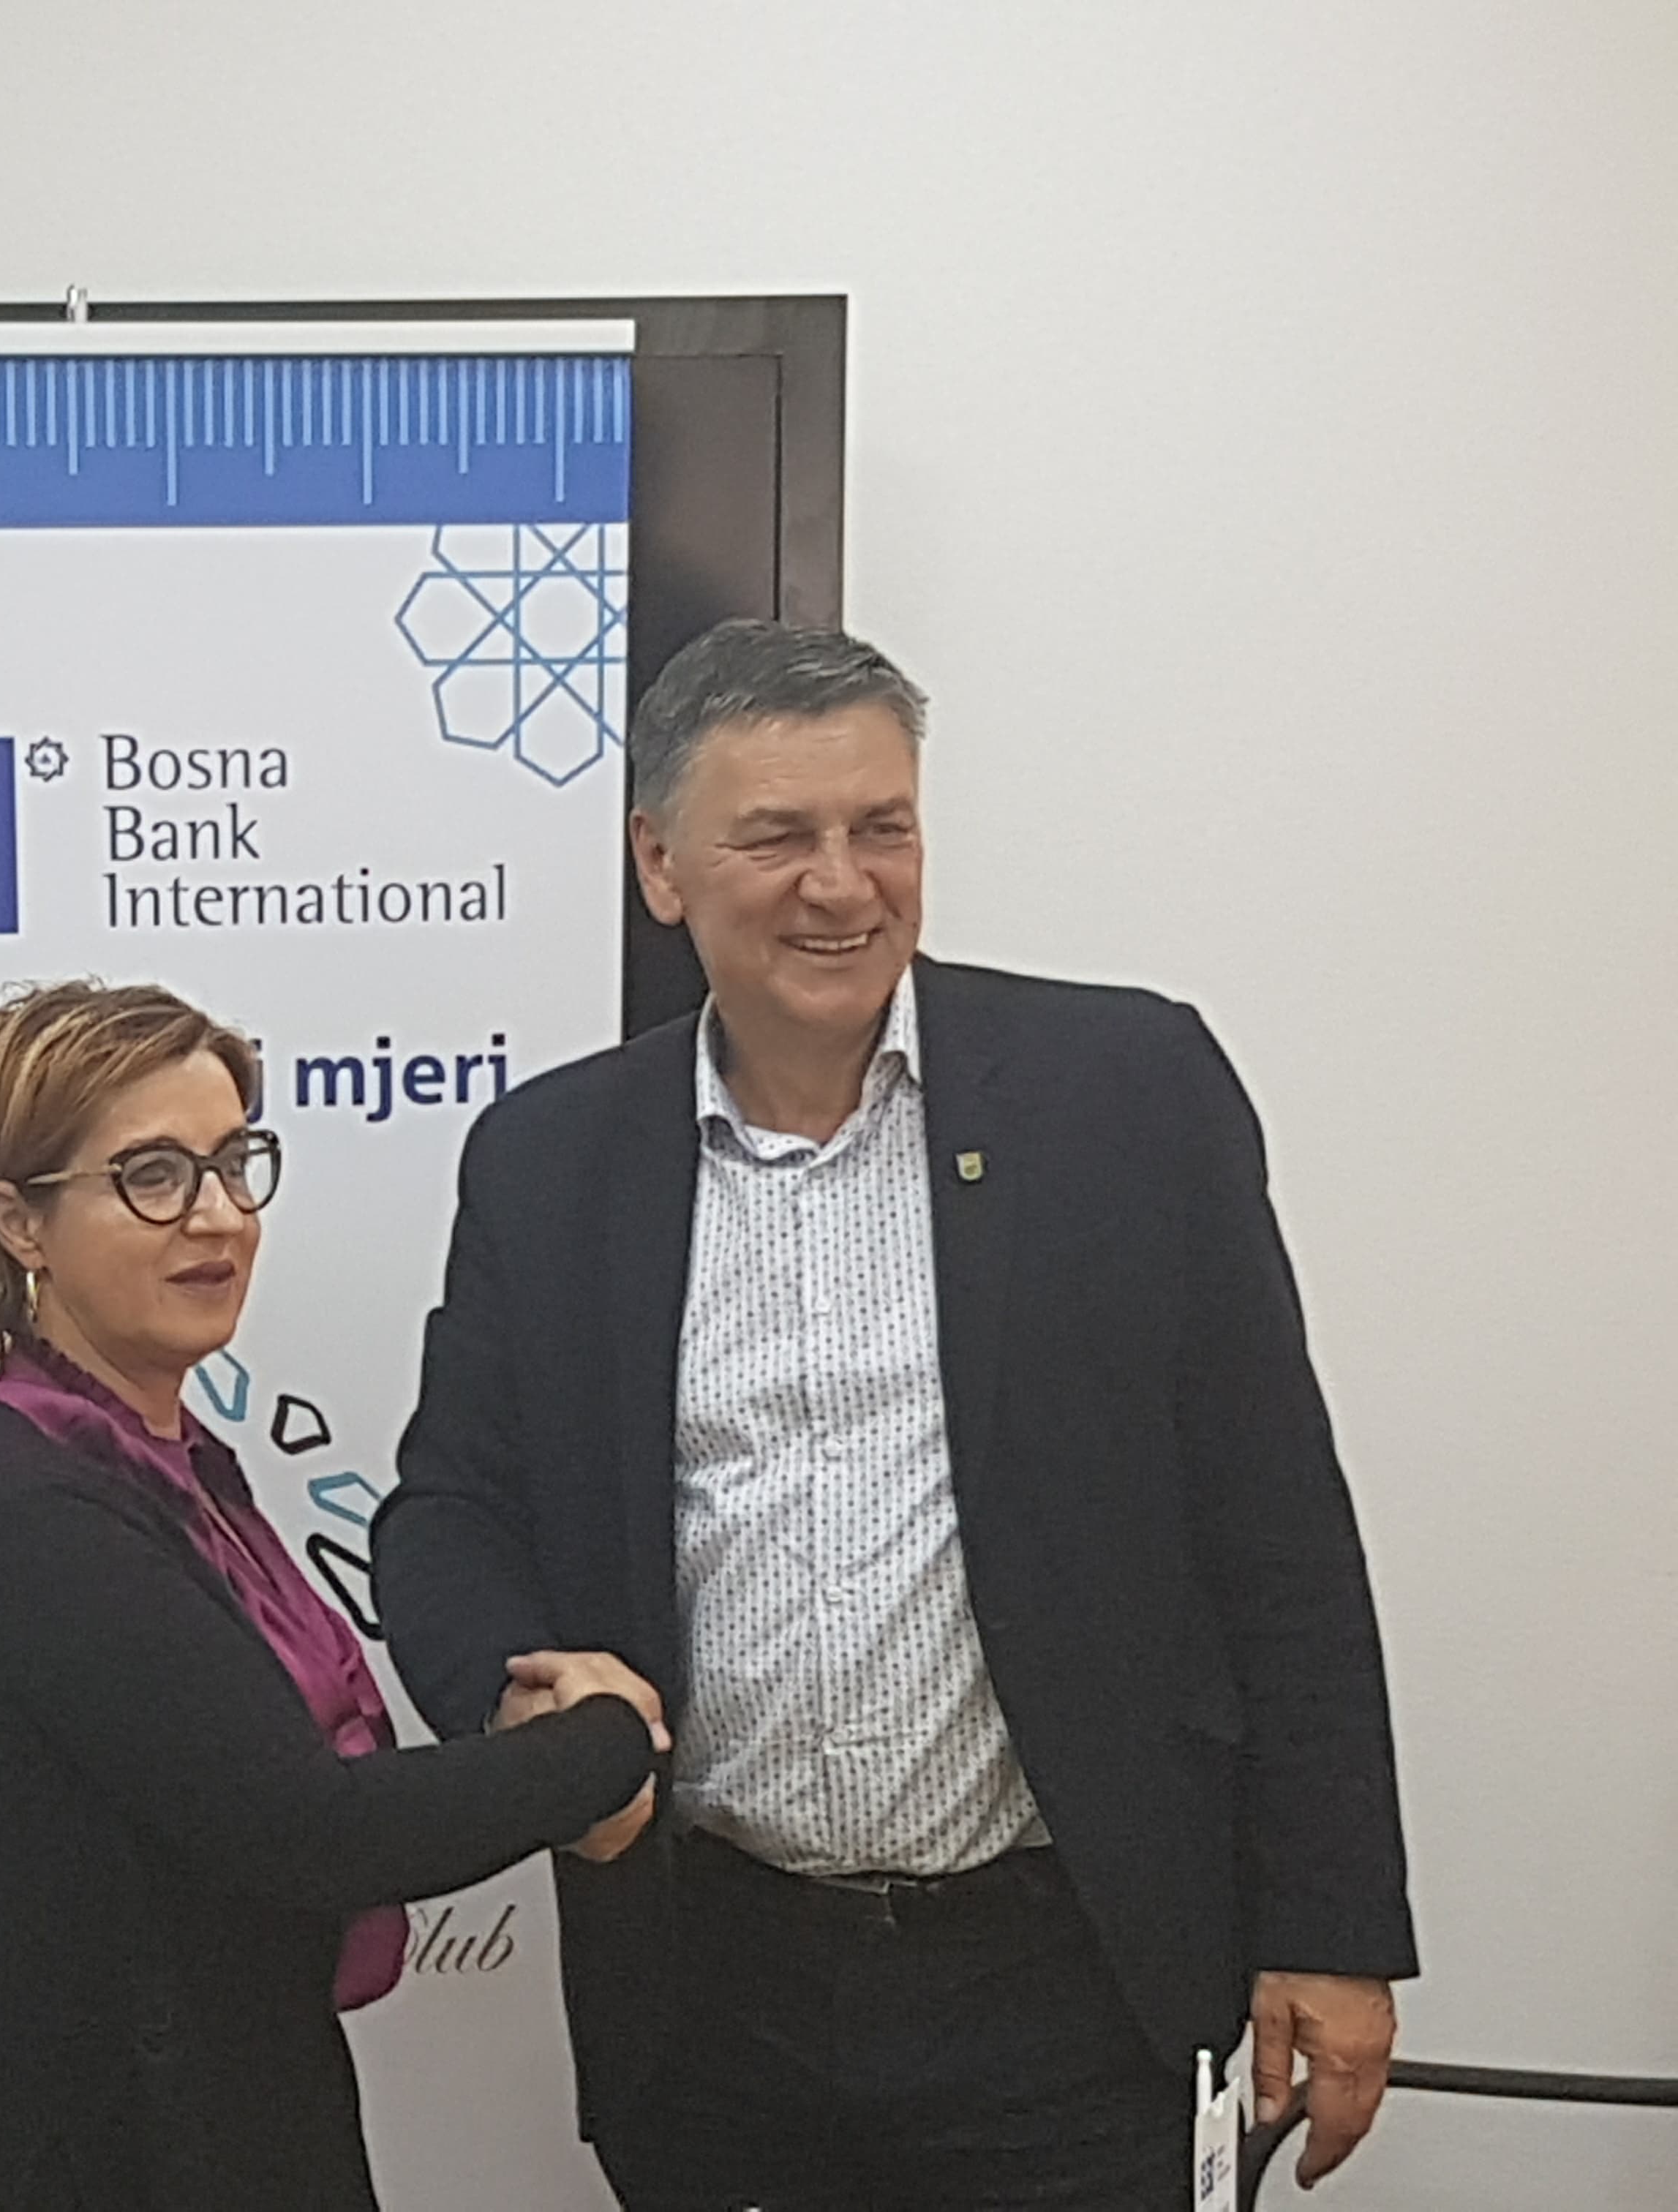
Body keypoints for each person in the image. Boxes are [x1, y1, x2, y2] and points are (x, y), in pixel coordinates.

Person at [374, 621, 1418, 2211]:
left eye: (883, 827)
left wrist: (1332, 1927)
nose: (842, 885)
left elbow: (1279, 1528)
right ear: (660, 865)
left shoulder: (1129, 1094)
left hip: (1070, 1987)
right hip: (715, 1998)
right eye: (778, 837)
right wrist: (524, 1714)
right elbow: (450, 1512)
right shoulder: (550, 1161)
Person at [0, 979, 668, 2212]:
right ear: (21, 1224)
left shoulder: (166, 1464)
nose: (219, 1216)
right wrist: (604, 1742)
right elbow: (307, 1828)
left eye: (235, 1164)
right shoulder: (30, 1509)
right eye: (152, 1176)